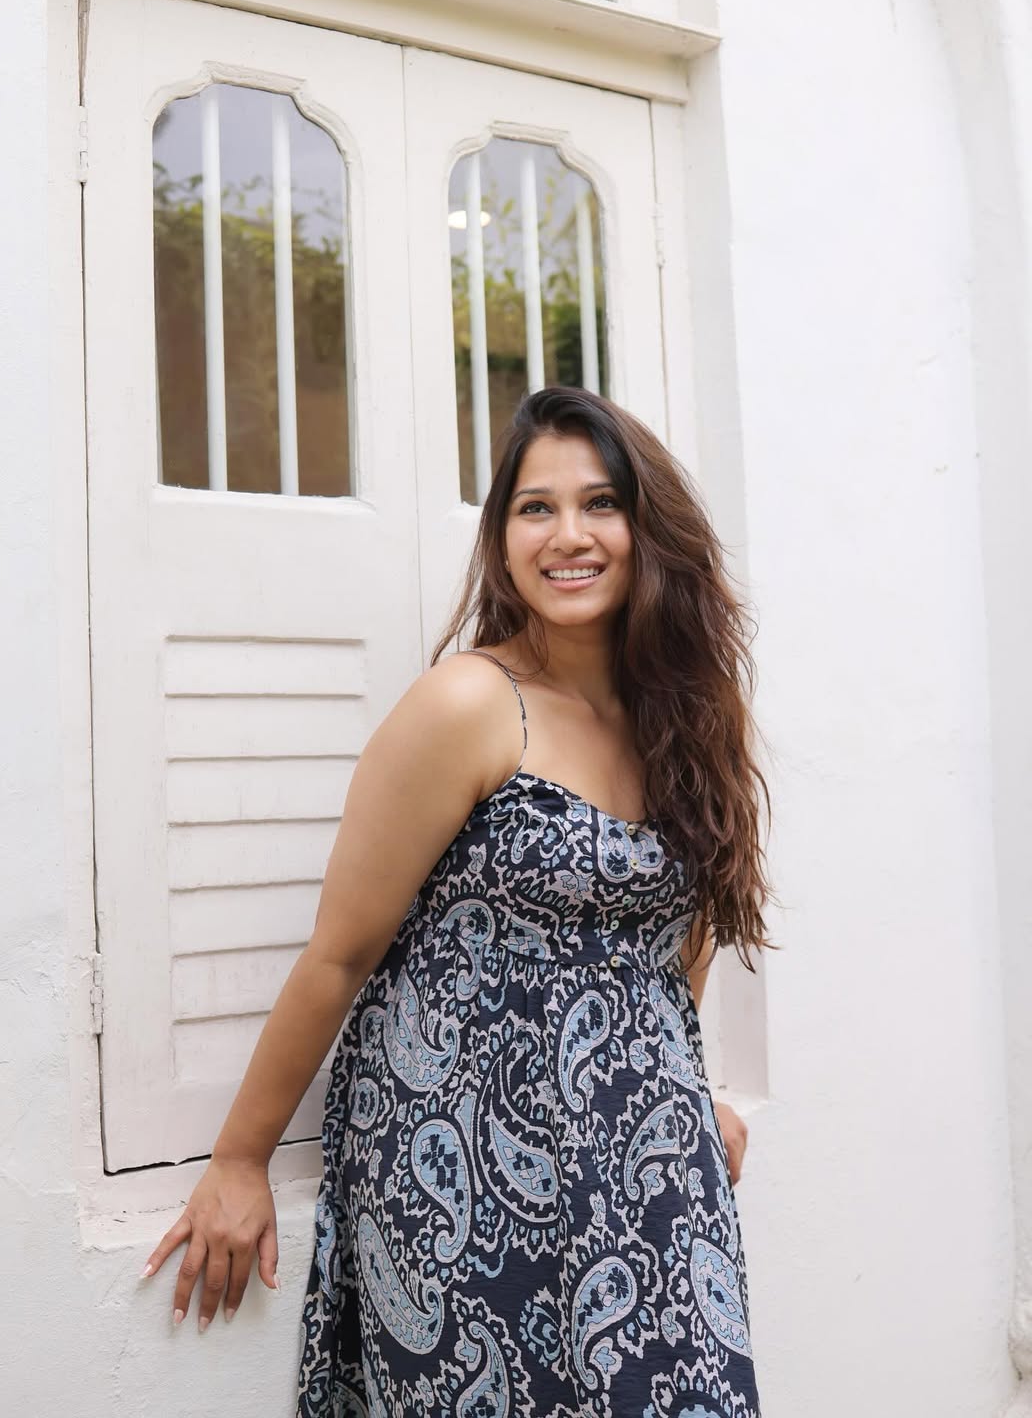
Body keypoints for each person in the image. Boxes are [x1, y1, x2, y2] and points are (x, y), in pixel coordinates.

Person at [143, 386, 773, 1417]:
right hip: (465, 1177)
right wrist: (239, 1156)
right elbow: (340, 953)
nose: (568, 535)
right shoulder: (471, 703)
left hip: (647, 1166)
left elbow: (676, 933)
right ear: (501, 536)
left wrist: (682, 1089)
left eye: (600, 502)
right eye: (535, 507)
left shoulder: (685, 715)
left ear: (646, 525)